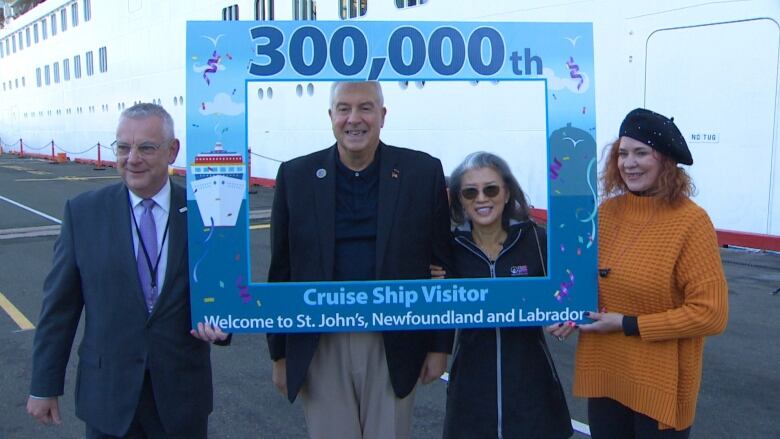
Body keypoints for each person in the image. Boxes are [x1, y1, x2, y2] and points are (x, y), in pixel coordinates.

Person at [26, 103, 229, 438]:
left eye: (146, 147)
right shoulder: (83, 214)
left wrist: (224, 324)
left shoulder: (206, 213)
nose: (132, 158)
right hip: (108, 397)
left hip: (181, 397)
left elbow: (223, 290)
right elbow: (58, 309)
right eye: (123, 147)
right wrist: (43, 385)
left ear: (172, 151)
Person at [267, 81, 453, 439]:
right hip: (321, 337)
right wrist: (279, 353)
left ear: (382, 116)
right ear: (331, 116)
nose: (355, 119)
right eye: (344, 109)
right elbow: (282, 270)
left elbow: (440, 262)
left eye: (366, 108)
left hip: (395, 336)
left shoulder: (422, 172)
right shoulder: (295, 176)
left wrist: (438, 345)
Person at [556, 108, 729, 438]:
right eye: (622, 153)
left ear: (665, 159)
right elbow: (583, 283)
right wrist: (566, 311)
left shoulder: (691, 222)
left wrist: (628, 324)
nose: (628, 163)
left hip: (658, 390)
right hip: (607, 378)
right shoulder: (605, 213)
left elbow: (711, 314)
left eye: (640, 152)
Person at [432, 152, 572, 439]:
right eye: (470, 192)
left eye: (491, 189)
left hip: (533, 384)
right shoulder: (448, 248)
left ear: (507, 193)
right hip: (470, 388)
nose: (481, 198)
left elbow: (569, 292)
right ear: (459, 199)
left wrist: (568, 315)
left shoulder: (535, 239)